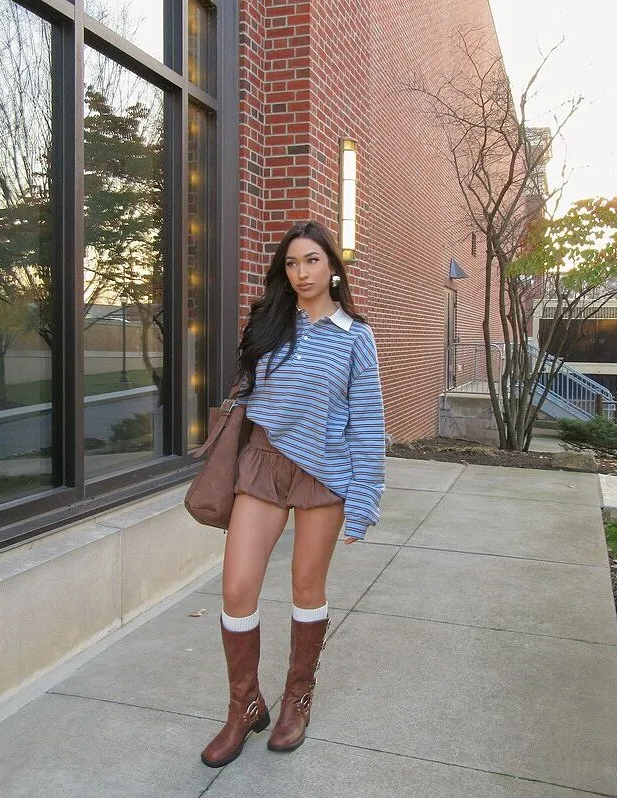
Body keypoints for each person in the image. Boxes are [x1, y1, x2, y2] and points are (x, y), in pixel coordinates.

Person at [200, 220, 385, 768]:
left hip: (324, 472)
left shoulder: (355, 336)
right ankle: (244, 706)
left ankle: (296, 699)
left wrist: (364, 497)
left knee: (307, 585)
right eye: (292, 263)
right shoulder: (270, 322)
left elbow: (367, 420)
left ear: (332, 267)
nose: (301, 273)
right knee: (237, 588)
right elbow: (247, 392)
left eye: (312, 261)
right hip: (262, 463)